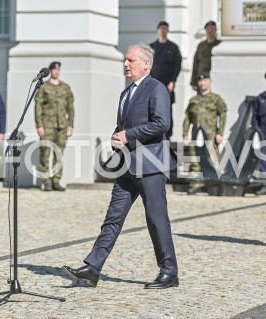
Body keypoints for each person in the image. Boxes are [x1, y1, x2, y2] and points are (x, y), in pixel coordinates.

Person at [63, 44, 179, 289]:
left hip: (150, 165)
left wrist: (129, 135)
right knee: (112, 218)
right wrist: (117, 137)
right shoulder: (125, 93)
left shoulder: (156, 88)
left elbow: (162, 124)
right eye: (125, 61)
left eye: (130, 60)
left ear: (146, 64)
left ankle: (169, 272)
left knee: (156, 219)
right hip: (126, 166)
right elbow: (123, 126)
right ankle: (93, 268)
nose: (126, 64)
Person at [183, 72, 227, 194]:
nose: (203, 83)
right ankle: (195, 183)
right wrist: (185, 133)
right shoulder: (193, 100)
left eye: (205, 80)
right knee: (194, 159)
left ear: (210, 82)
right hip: (196, 135)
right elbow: (187, 117)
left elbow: (222, 115)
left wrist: (220, 133)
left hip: (211, 136)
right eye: (200, 81)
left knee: (212, 159)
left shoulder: (216, 99)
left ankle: (213, 183)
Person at [34, 61, 75, 192]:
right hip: (47, 126)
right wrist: (39, 125)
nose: (57, 72)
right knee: (45, 154)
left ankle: (56, 181)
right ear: (51, 71)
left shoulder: (65, 87)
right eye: (54, 70)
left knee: (59, 154)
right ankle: (46, 182)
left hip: (62, 126)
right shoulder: (44, 87)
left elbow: (71, 107)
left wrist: (71, 125)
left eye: (58, 70)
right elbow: (38, 107)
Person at [150, 21, 182, 139]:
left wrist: (173, 81)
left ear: (168, 31)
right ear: (157, 30)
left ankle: (167, 135)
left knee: (167, 110)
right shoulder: (151, 47)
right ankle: (153, 133)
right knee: (153, 109)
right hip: (153, 85)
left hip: (167, 86)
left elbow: (177, 66)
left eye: (165, 28)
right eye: (161, 28)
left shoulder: (173, 48)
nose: (163, 30)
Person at [190, 21, 221, 90]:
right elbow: (195, 63)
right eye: (208, 29)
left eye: (212, 29)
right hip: (201, 79)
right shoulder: (201, 45)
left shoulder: (220, 45)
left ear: (216, 30)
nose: (210, 31)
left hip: (215, 78)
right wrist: (193, 81)